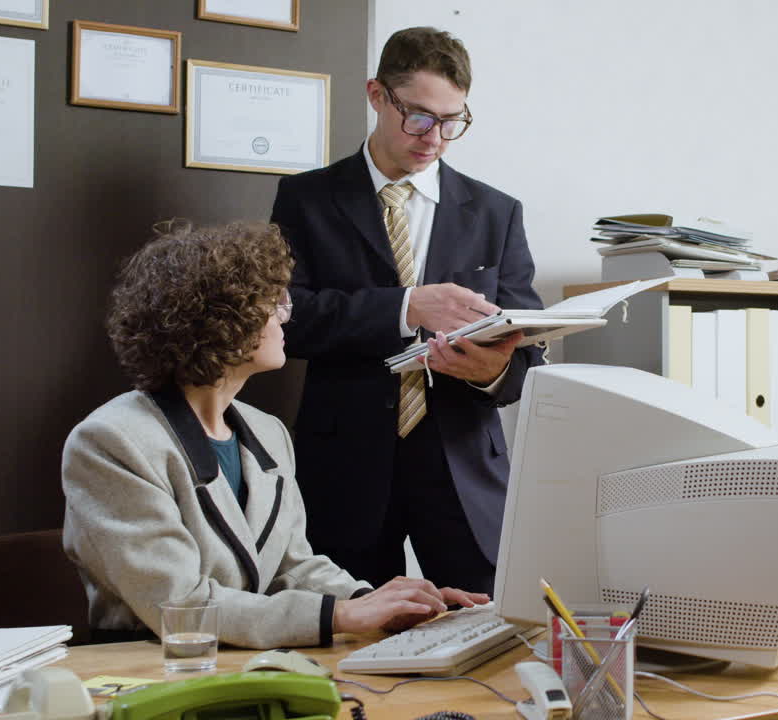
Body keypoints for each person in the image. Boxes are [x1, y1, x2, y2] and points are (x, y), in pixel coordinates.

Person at [61, 221, 487, 649]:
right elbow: (182, 605)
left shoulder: (267, 432)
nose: (287, 315)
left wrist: (380, 603)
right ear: (220, 318)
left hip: (243, 661)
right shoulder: (110, 441)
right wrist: (342, 615)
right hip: (148, 670)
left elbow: (293, 565)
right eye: (274, 303)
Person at [270, 27, 543, 594]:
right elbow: (288, 319)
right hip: (345, 465)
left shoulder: (497, 213)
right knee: (349, 640)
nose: (435, 138)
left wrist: (491, 372)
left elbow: (528, 356)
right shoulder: (307, 199)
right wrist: (406, 307)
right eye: (419, 117)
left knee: (489, 634)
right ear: (376, 95)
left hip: (465, 467)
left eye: (452, 121)